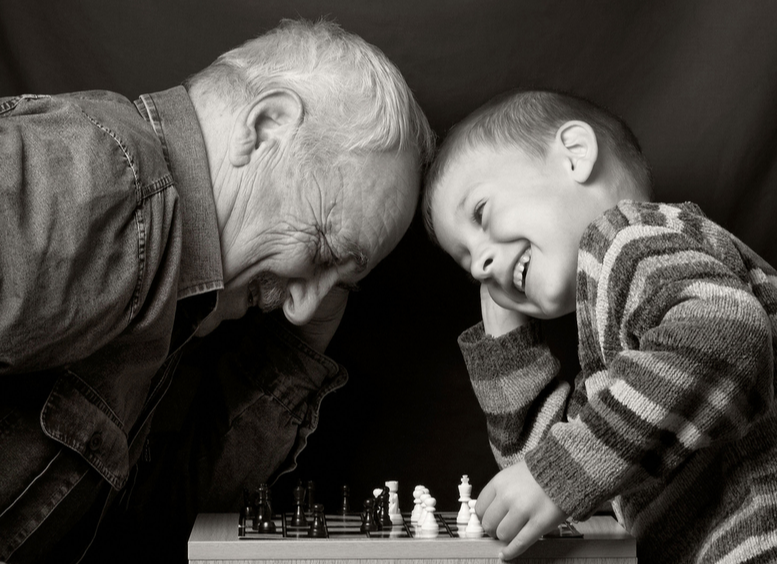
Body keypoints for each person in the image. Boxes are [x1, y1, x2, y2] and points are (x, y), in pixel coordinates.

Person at [0, 19, 434, 563]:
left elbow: (161, 531)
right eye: (323, 249)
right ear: (269, 125)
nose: (301, 310)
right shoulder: (114, 187)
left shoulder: (166, 278)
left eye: (339, 284)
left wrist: (297, 353)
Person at [422, 89, 777, 563]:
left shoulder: (628, 236)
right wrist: (507, 343)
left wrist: (556, 475)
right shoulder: (627, 369)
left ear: (574, 156)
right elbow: (545, 476)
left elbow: (727, 331)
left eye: (482, 214)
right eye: (466, 261)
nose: (480, 266)